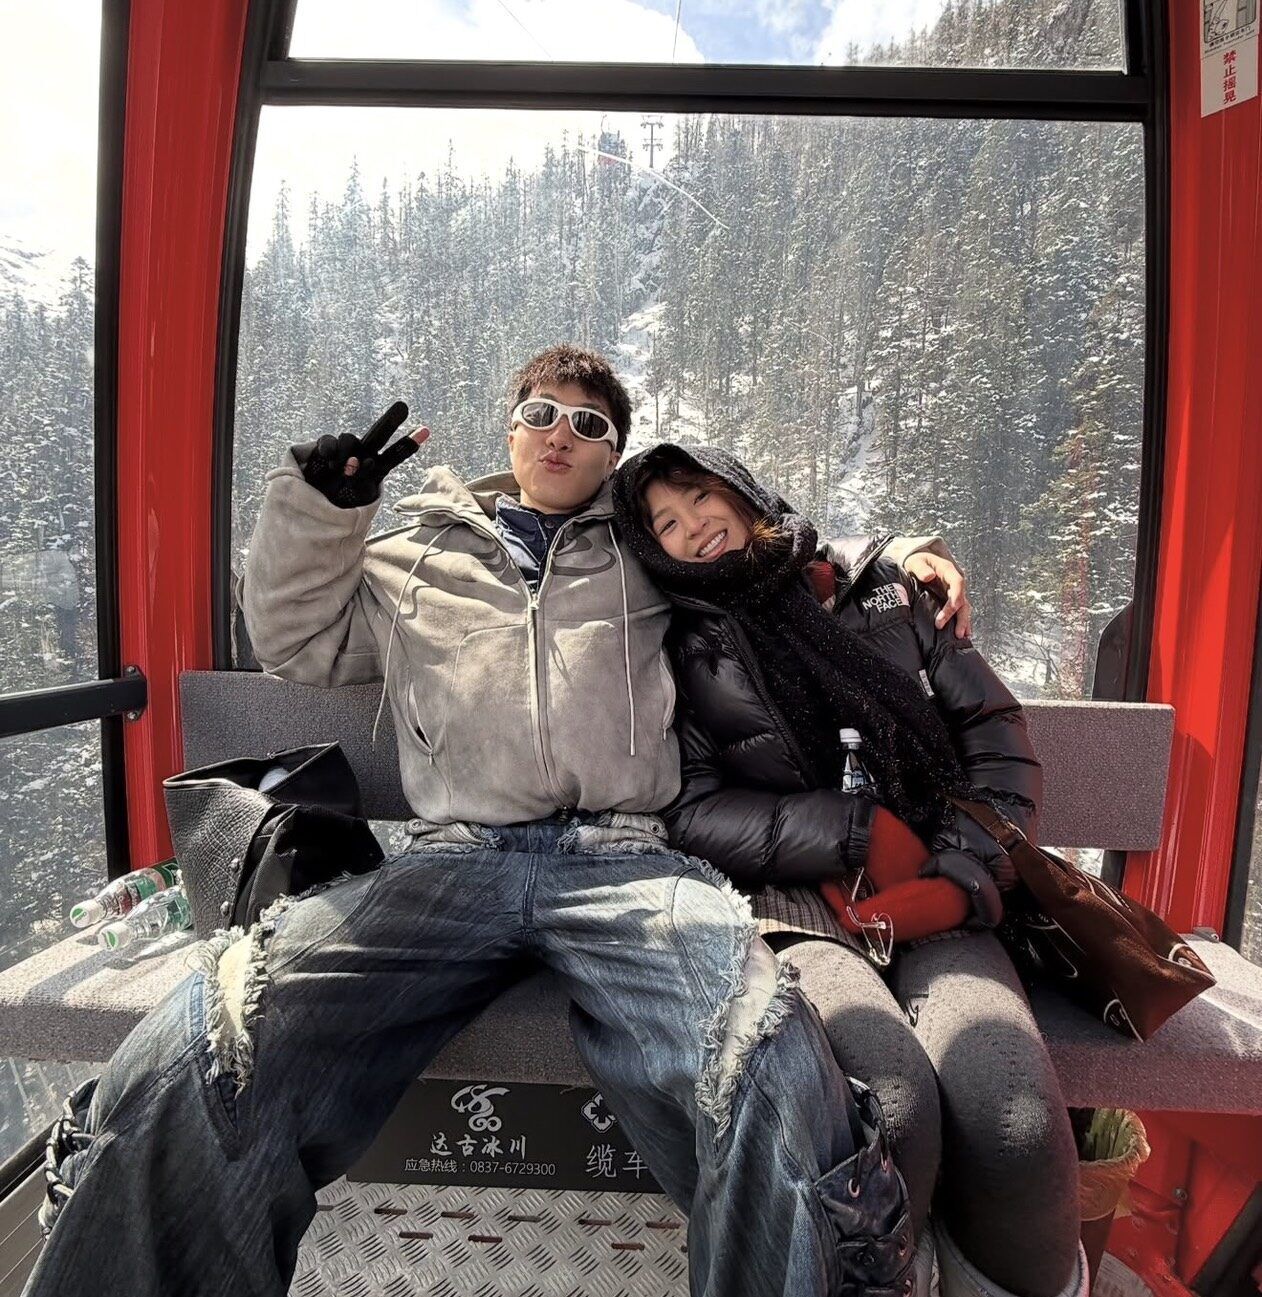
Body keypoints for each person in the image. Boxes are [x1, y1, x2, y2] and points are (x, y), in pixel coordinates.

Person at [24, 346, 966, 1297]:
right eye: (541, 413)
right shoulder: (415, 555)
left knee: (764, 1046)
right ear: (510, 428)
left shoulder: (645, 555)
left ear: (612, 456)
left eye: (589, 425)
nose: (561, 434)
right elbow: (295, 640)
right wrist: (322, 512)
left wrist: (898, 558)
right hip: (453, 859)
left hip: (626, 860)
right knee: (214, 1038)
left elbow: (762, 550)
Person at [611, 443, 1087, 1297]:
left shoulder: (887, 592)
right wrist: (853, 830)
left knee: (1014, 1121)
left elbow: (996, 742)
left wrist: (963, 870)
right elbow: (690, 810)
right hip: (797, 901)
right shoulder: (682, 646)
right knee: (889, 1108)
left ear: (740, 488)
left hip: (946, 879)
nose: (693, 527)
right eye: (666, 524)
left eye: (699, 496)